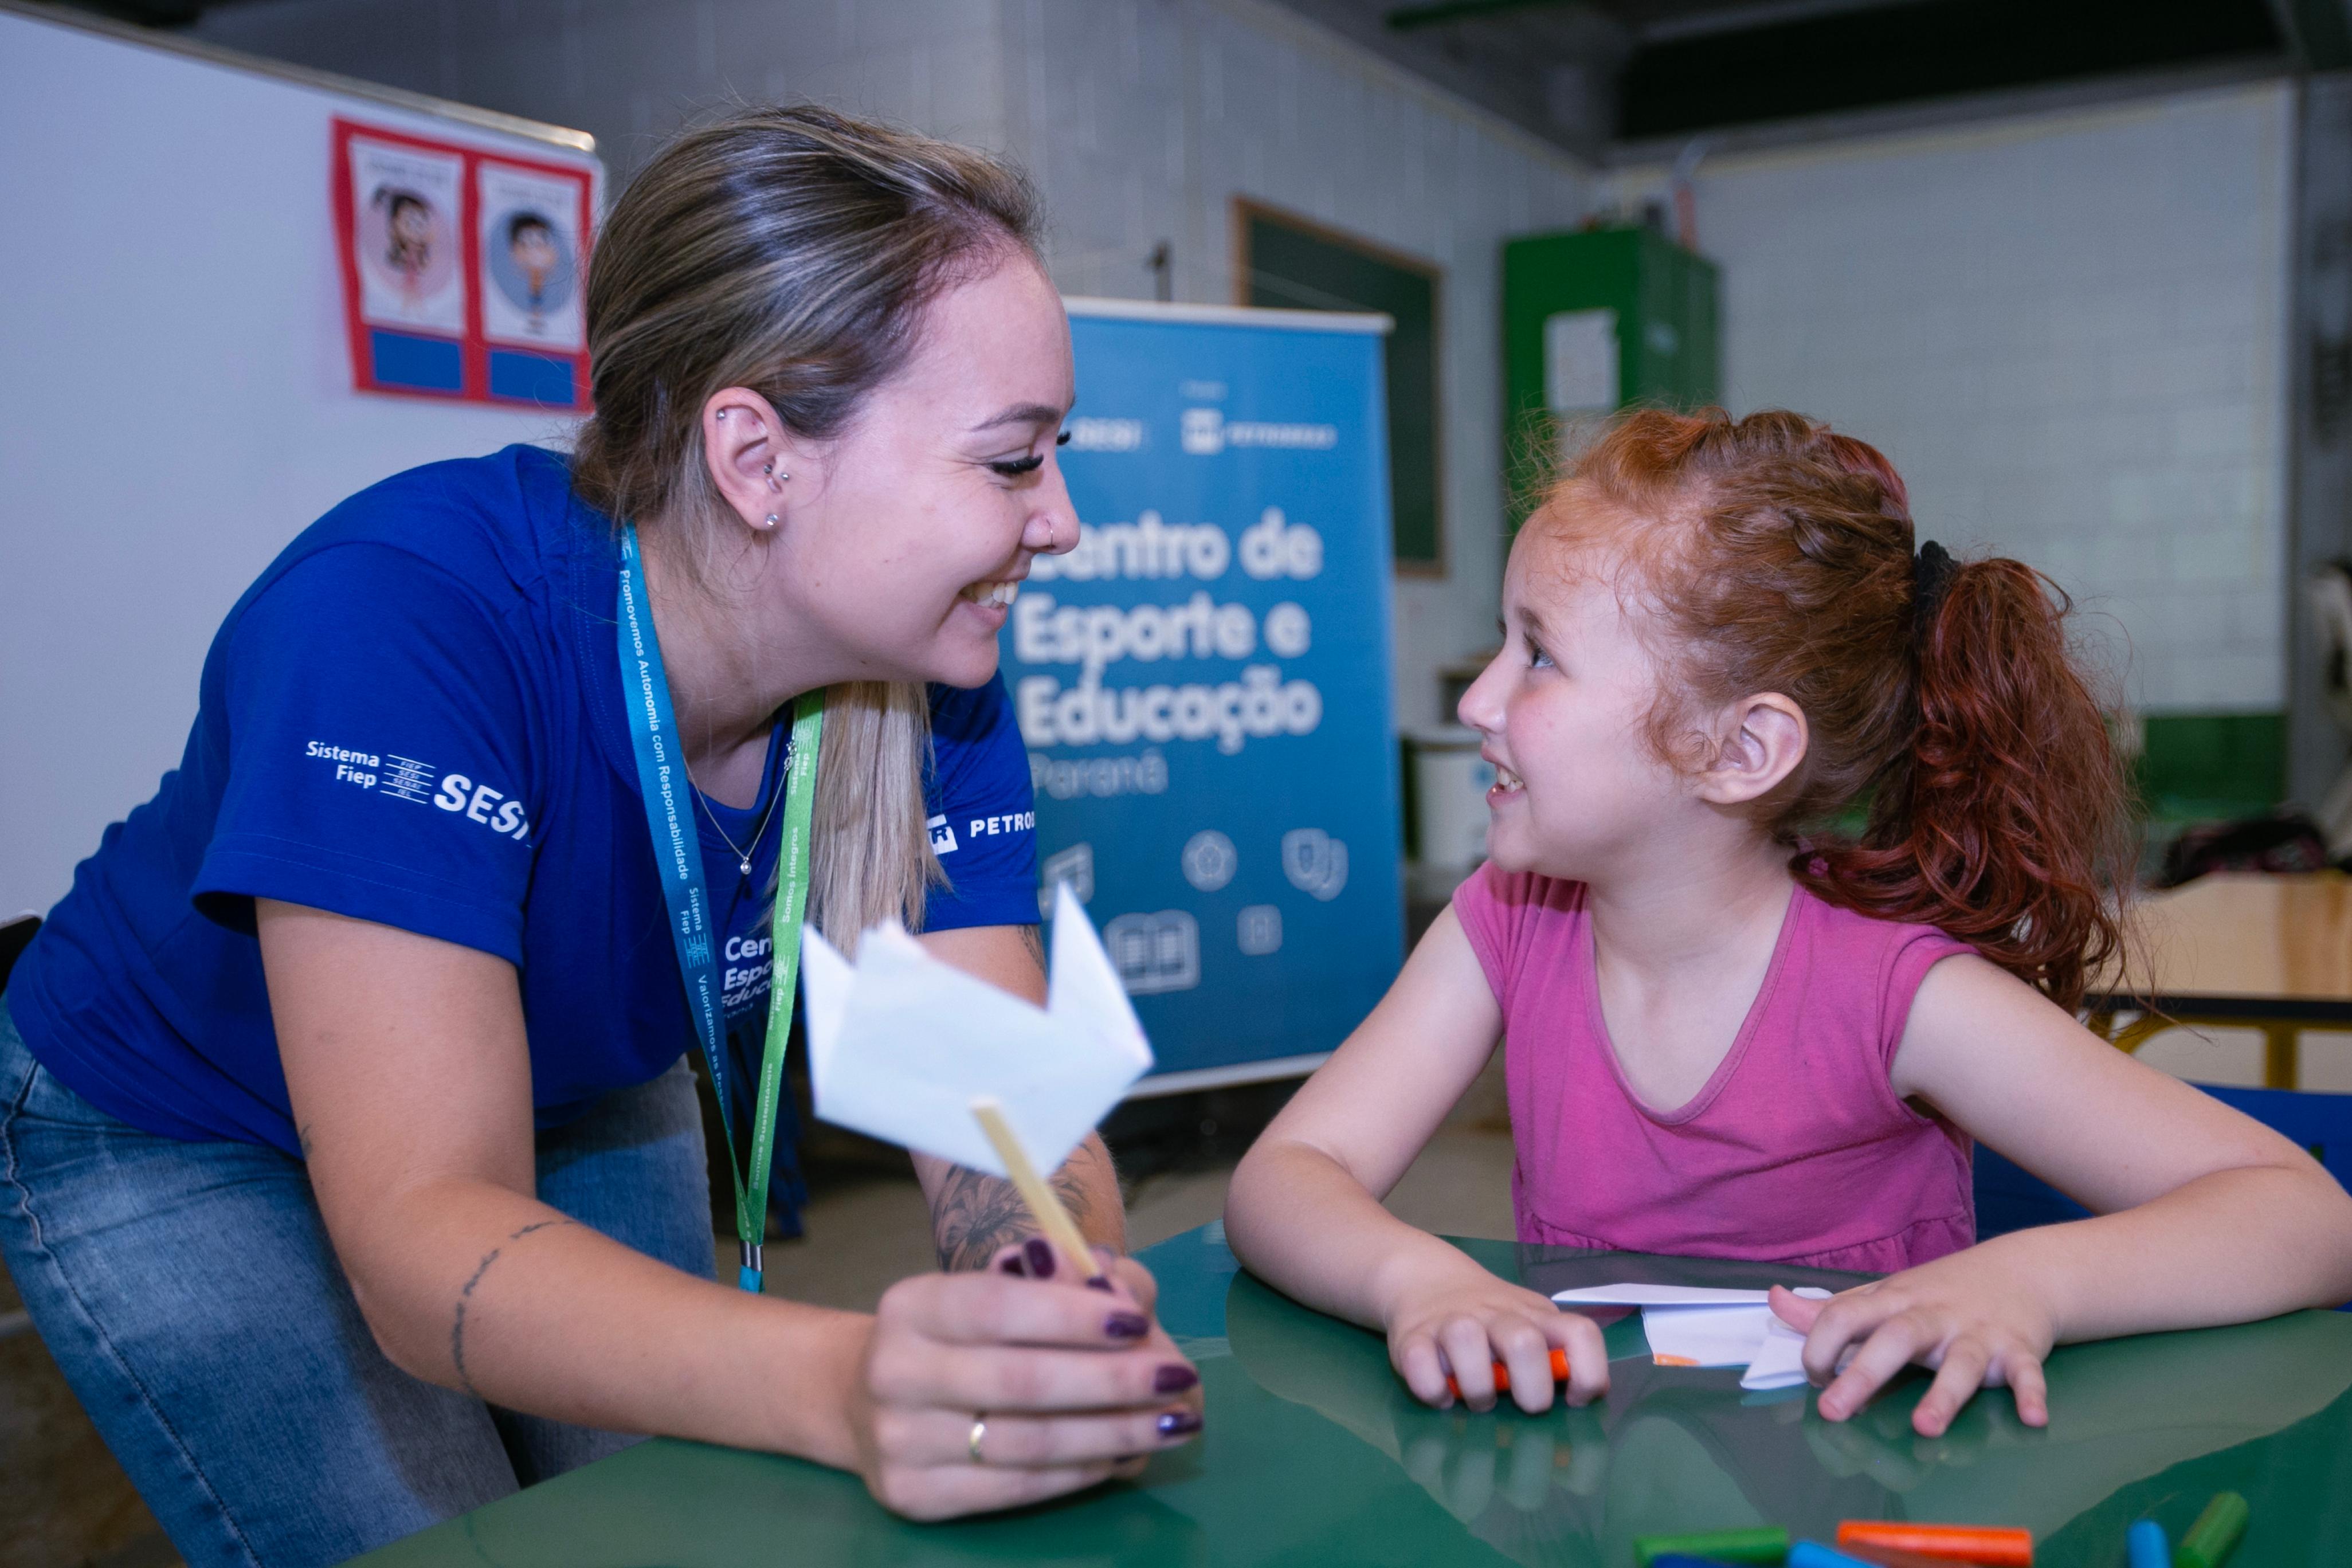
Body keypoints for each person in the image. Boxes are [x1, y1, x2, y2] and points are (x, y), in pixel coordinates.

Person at [0, 106, 1198, 1568]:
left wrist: (1046, 1283)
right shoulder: (398, 615)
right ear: (758, 458)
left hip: (582, 1069)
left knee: (661, 1528)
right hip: (182, 1122)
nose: (1061, 521)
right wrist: (839, 1380)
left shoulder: (925, 665)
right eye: (1012, 462)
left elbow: (991, 1099)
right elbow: (426, 1225)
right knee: (443, 1534)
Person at [1225, 407, 2352, 1438]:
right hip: (1583, 1495)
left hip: (1867, 1504)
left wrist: (2029, 1283)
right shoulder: (1507, 920)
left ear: (1740, 751)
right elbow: (1287, 1176)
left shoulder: (1895, 991)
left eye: (1538, 655)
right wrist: (1418, 1283)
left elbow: (2306, 1220)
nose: (1476, 702)